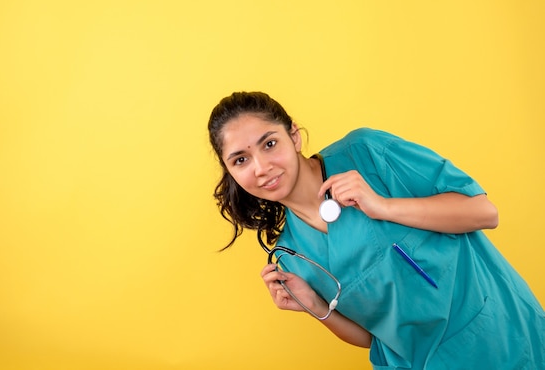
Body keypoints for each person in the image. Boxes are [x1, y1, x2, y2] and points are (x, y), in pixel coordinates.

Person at [207, 91, 545, 370]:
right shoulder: (292, 255)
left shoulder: (365, 153)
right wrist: (314, 305)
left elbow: (484, 212)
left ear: (293, 135)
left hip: (501, 341)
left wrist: (383, 206)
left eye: (269, 144)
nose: (262, 168)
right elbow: (375, 339)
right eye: (240, 160)